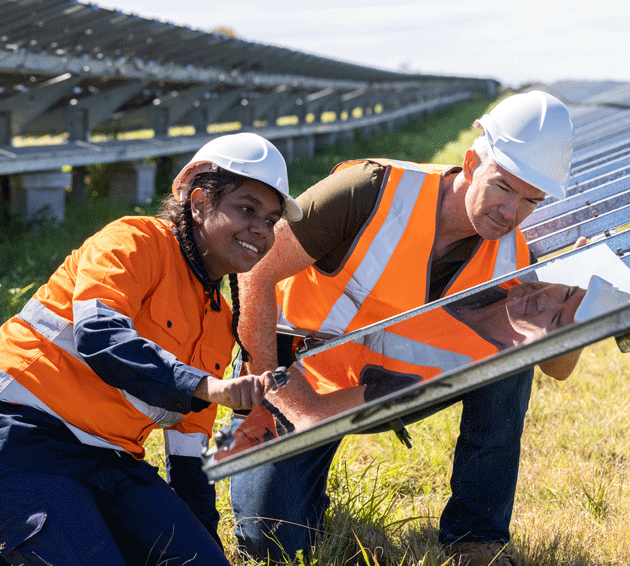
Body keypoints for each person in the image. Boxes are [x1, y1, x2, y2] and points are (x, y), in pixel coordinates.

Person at [231, 90, 577, 566]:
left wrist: (579, 297)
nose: (510, 212)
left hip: (392, 383)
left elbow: (557, 368)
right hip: (297, 375)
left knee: (511, 359)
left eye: (529, 200)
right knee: (271, 542)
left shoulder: (517, 255)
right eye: (502, 186)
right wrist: (271, 396)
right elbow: (256, 271)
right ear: (472, 161)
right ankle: (298, 481)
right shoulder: (367, 191)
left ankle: (476, 537)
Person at [0, 133, 301, 566]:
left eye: (271, 220)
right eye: (247, 209)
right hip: (23, 437)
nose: (261, 229)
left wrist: (207, 546)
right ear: (198, 203)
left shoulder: (218, 322)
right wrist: (206, 386)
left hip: (111, 461)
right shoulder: (133, 241)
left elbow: (188, 459)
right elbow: (100, 336)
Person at [212, 278, 591, 462]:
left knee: (274, 537)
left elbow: (559, 368)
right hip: (273, 343)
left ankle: (476, 537)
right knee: (268, 533)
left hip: (320, 397)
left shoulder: (480, 356)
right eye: (566, 292)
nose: (544, 299)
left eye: (554, 319)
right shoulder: (506, 255)